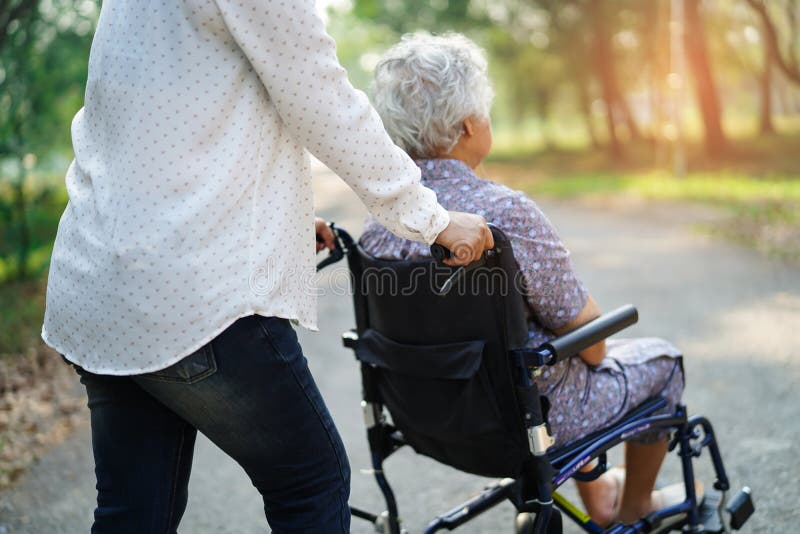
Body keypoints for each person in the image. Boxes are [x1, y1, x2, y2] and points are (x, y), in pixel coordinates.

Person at [41, 4, 494, 533]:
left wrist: (276, 216)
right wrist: (431, 219)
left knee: (134, 514)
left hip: (103, 278)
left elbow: (168, 124)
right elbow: (320, 99)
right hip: (190, 290)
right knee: (311, 484)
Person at [359, 32, 697, 527]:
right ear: (470, 126)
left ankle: (599, 498)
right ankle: (633, 509)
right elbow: (593, 348)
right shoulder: (503, 214)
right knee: (660, 363)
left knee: (550, 366)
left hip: (424, 417)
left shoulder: (377, 226)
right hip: (524, 421)